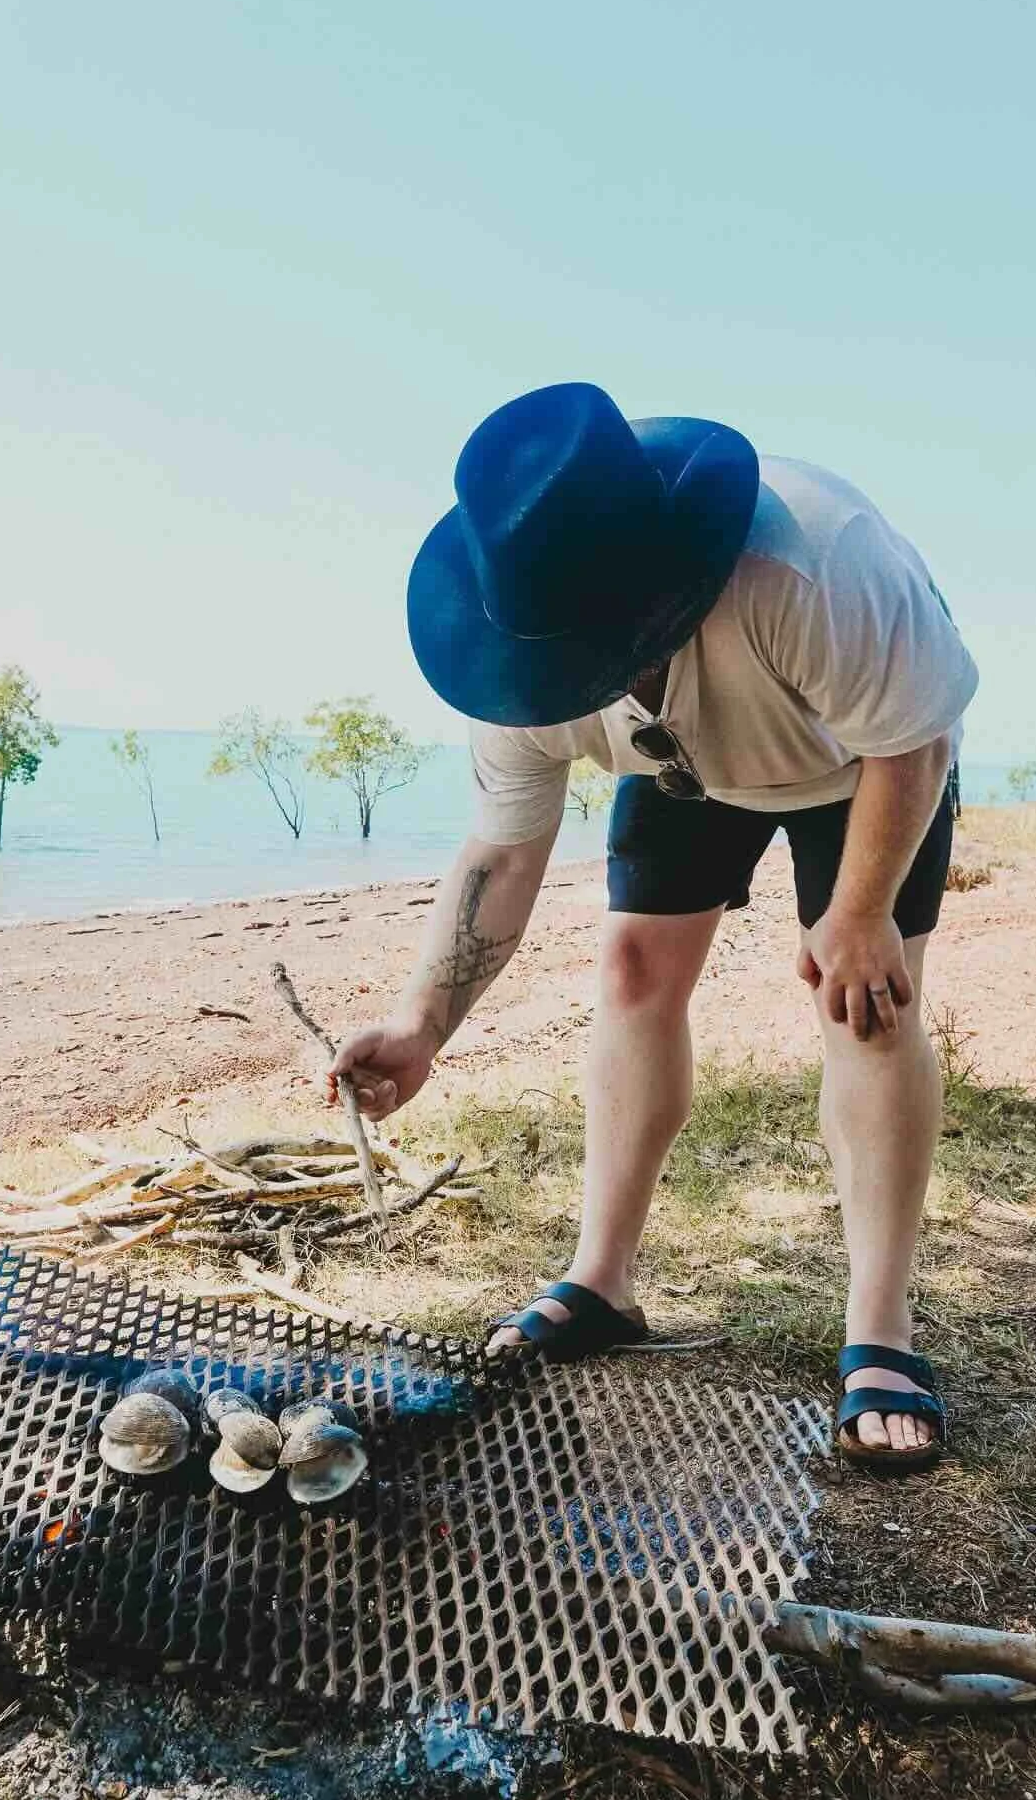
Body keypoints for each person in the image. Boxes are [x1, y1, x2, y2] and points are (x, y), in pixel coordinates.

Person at [330, 383, 978, 1473]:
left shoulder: (812, 561)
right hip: (689, 768)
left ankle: (880, 1326)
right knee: (632, 965)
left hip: (861, 760)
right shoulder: (513, 657)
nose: (576, 675)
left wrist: (858, 913)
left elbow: (912, 742)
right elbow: (499, 855)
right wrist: (421, 1023)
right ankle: (602, 1278)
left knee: (863, 1005)